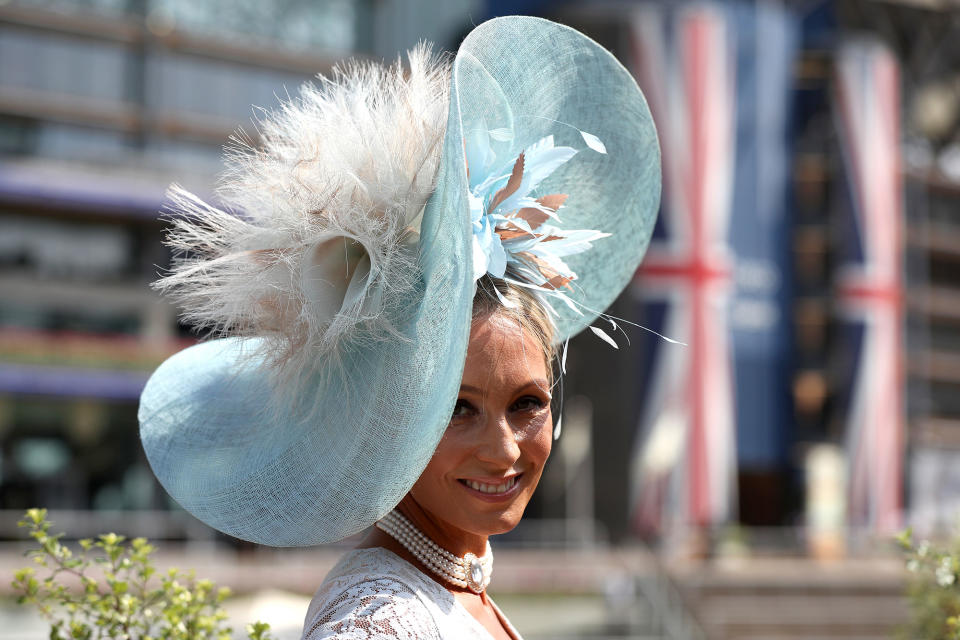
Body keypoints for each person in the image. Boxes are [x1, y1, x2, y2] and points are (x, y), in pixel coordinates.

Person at [138, 15, 660, 640]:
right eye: (455, 408)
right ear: (391, 415)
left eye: (527, 403)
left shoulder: (455, 591)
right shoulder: (378, 621)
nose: (504, 450)